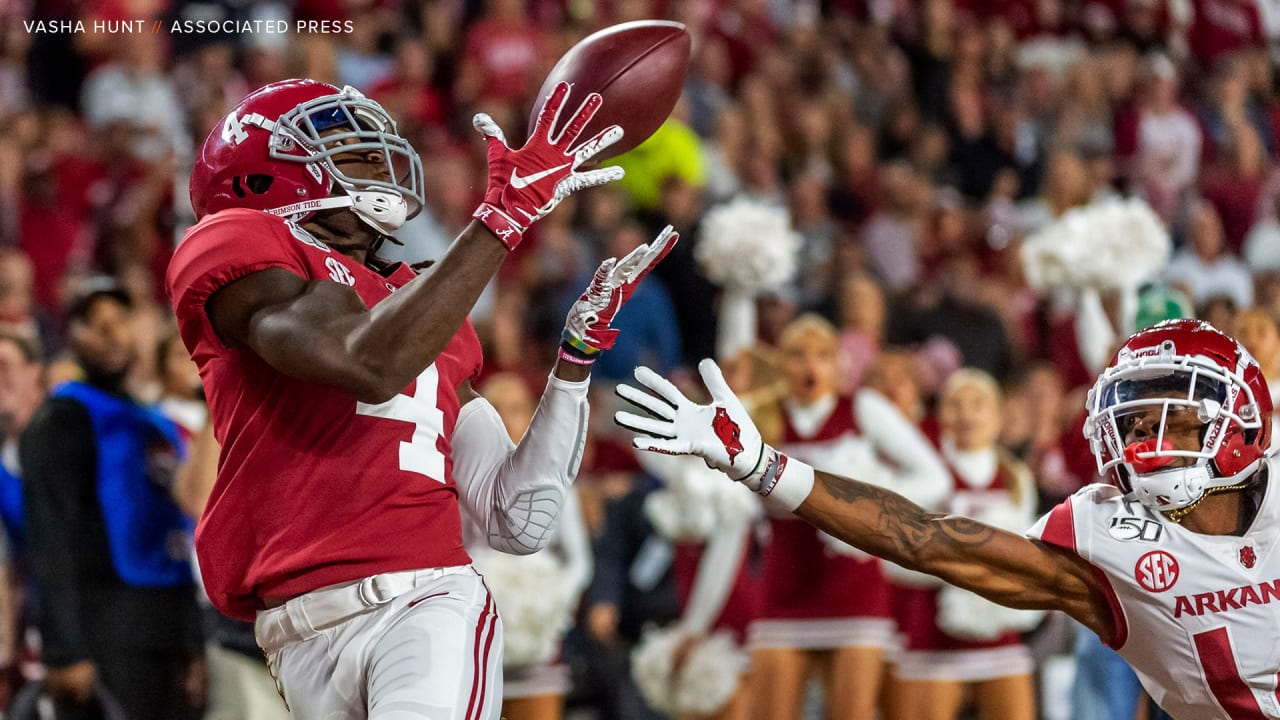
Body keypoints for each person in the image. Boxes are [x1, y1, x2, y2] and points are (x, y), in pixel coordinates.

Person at [165, 78, 675, 720]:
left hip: (424, 600)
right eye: (350, 149)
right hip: (296, 632)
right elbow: (364, 359)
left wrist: (573, 359)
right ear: (263, 177)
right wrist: (500, 222)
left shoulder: (430, 307)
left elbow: (518, 520)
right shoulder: (241, 244)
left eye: (378, 146)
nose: (379, 159)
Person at [616, 318, 1279, 720]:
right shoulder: (1111, 533)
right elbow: (925, 540)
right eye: (1133, 419)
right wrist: (765, 467)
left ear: (1243, 418)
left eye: (1174, 415)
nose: (1146, 435)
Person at [20, 278, 203, 719]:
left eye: (120, 320)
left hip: (167, 627)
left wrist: (193, 642)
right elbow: (49, 539)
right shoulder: (61, 419)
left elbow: (181, 532)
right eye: (94, 323)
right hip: (104, 629)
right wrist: (64, 650)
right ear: (71, 336)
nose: (111, 333)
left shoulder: (154, 422)